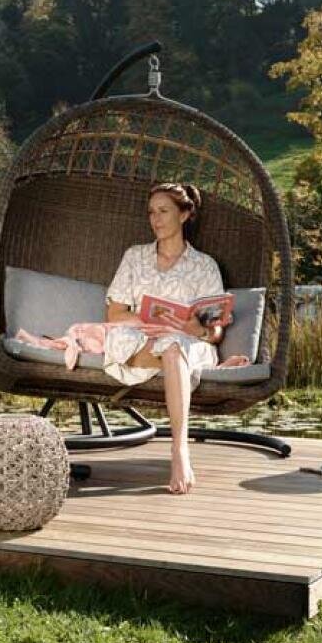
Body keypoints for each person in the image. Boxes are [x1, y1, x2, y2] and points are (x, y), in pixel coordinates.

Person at [104, 182, 228, 494]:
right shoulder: (134, 257)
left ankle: (179, 451)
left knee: (173, 348)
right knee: (127, 338)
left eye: (164, 211)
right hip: (141, 338)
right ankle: (173, 367)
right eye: (151, 213)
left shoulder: (204, 266)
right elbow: (114, 314)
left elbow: (214, 332)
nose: (155, 219)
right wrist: (148, 320)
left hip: (186, 343)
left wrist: (189, 329)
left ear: (185, 215)